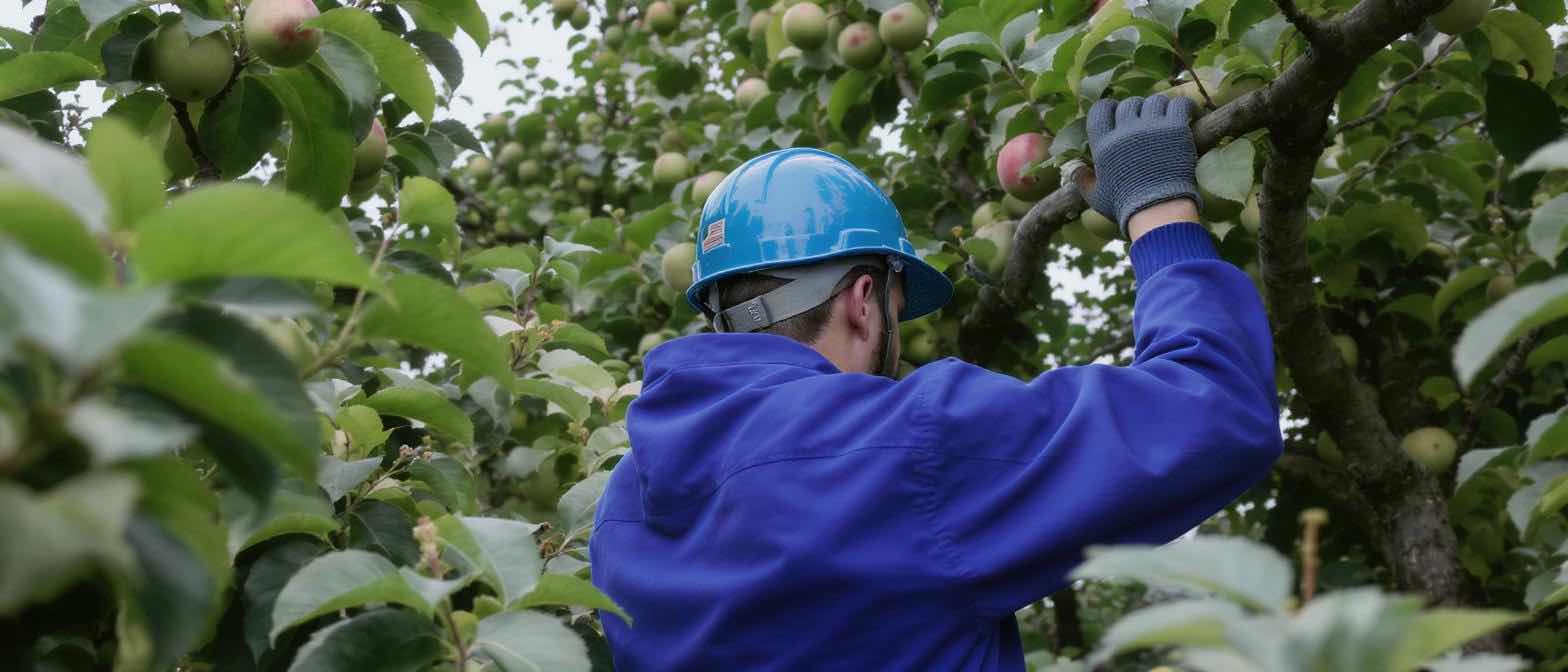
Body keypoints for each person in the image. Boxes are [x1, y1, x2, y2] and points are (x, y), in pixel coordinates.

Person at [589, 95, 1282, 671]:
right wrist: (1160, 212)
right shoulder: (902, 446)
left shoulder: (621, 511)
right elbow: (1214, 410)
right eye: (896, 308)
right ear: (864, 300)